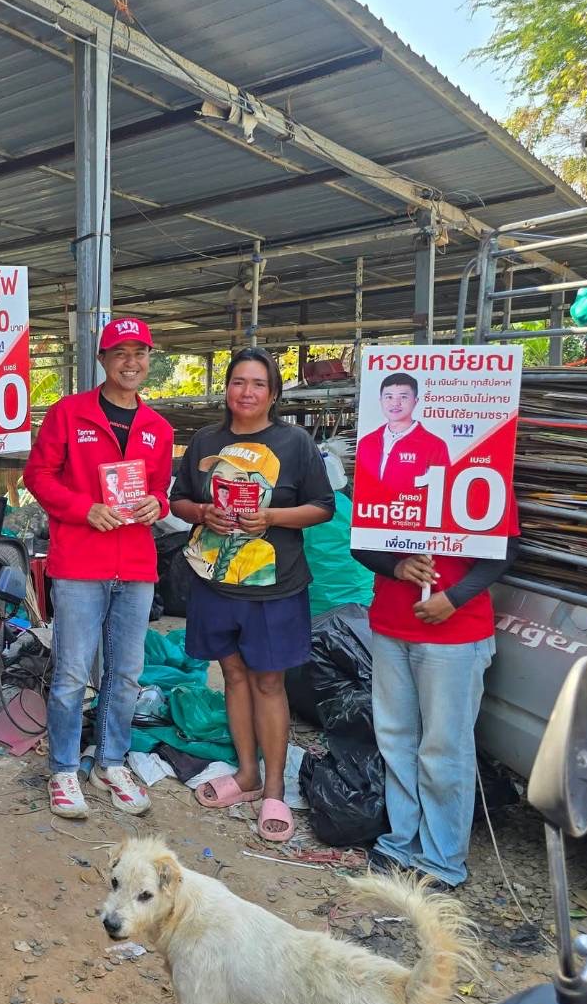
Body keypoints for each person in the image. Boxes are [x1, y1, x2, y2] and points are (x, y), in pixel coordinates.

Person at [169, 347, 334, 843]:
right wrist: (203, 513)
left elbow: (323, 506)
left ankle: (274, 789)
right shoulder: (206, 440)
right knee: (233, 675)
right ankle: (246, 775)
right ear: (226, 389)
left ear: (274, 393)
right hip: (215, 581)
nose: (247, 392)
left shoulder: (294, 443)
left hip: (274, 586)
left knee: (268, 682)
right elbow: (179, 498)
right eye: (238, 382)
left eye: (258, 383)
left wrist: (272, 517)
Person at [24, 316, 173, 819]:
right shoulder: (70, 414)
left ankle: (110, 761)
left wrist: (157, 503)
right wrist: (83, 509)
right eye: (120, 353)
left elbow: (160, 488)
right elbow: (38, 476)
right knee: (71, 673)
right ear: (103, 359)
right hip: (81, 563)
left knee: (126, 674)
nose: (131, 362)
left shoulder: (158, 428)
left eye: (140, 353)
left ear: (149, 359)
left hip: (136, 565)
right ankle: (64, 768)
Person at [351, 536, 519, 890]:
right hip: (391, 626)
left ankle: (442, 859)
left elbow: (505, 550)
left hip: (456, 633)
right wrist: (396, 567)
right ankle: (400, 842)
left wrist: (454, 598)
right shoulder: (388, 492)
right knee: (395, 740)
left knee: (444, 749)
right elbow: (362, 540)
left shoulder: (486, 493)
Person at [356, 373, 450, 493]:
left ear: (415, 401)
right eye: (389, 397)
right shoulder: (366, 442)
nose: (395, 403)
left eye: (403, 397)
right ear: (381, 401)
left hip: (410, 504)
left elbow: (442, 490)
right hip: (372, 505)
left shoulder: (434, 445)